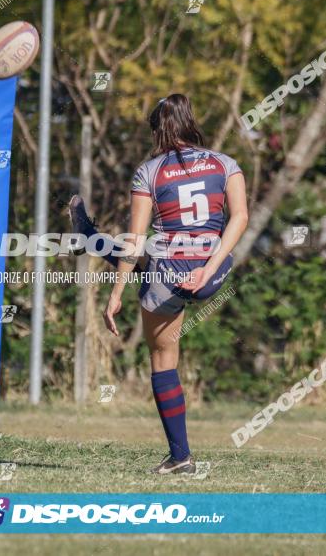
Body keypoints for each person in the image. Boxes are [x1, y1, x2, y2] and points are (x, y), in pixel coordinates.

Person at [69, 93, 248, 474]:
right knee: (153, 262)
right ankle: (89, 235)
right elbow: (241, 219)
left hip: (167, 274)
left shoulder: (149, 172)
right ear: (191, 122)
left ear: (157, 130)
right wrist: (208, 267)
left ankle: (181, 456)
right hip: (211, 271)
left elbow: (133, 242)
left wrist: (115, 294)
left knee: (163, 359)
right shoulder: (225, 164)